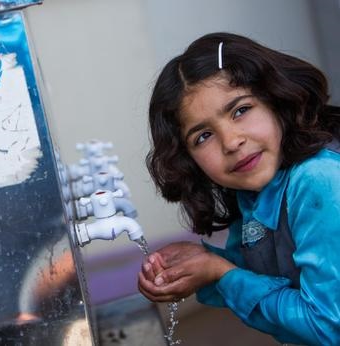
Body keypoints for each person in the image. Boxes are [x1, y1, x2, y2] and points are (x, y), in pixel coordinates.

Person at [137, 32, 340, 345]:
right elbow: (263, 271)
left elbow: (327, 326)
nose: (231, 142)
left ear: (275, 99)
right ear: (188, 160)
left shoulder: (318, 181)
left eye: (241, 110)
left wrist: (219, 271)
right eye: (203, 136)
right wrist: (199, 263)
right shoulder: (255, 190)